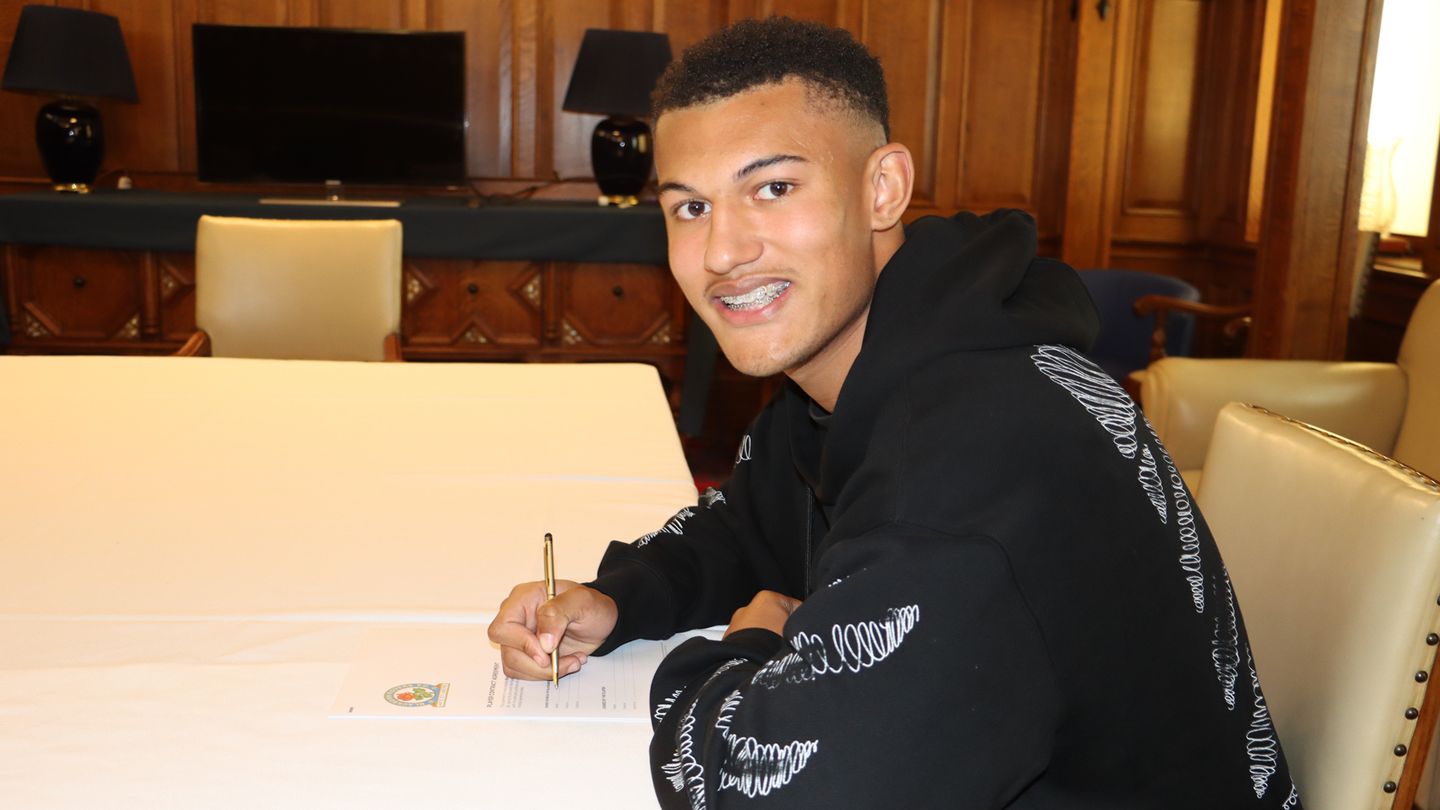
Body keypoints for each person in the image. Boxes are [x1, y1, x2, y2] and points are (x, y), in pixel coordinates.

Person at [489, 16, 1302, 809]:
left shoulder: (971, 461)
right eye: (690, 208)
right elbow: (750, 525)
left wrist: (750, 646)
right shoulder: (867, 365)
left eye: (774, 189)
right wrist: (623, 598)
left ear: (882, 189)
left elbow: (763, 790)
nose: (723, 252)